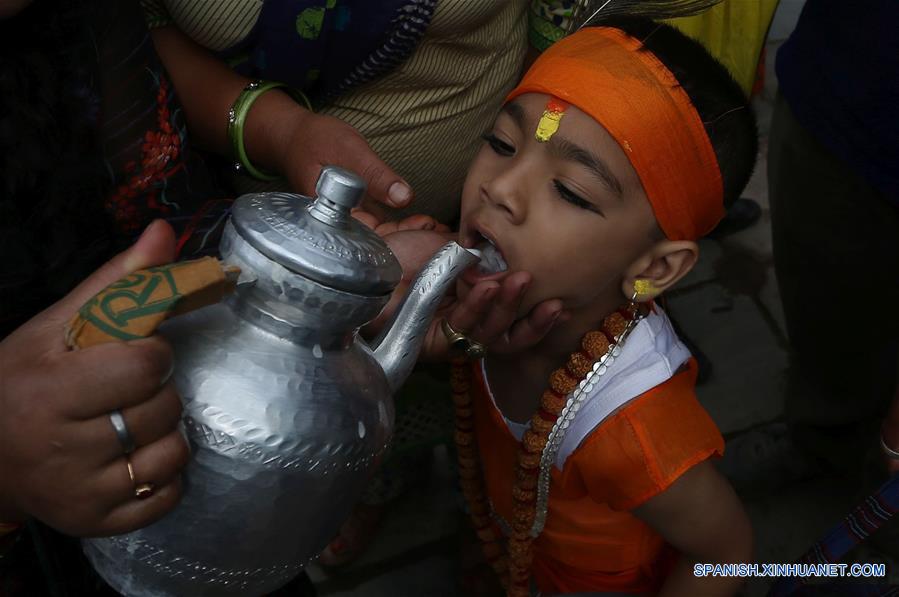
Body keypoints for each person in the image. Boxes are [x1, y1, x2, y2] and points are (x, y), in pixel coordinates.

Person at [373, 17, 758, 595]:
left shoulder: (632, 428)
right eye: (502, 143)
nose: (500, 189)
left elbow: (729, 555)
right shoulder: (469, 305)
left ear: (654, 269)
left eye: (571, 191)